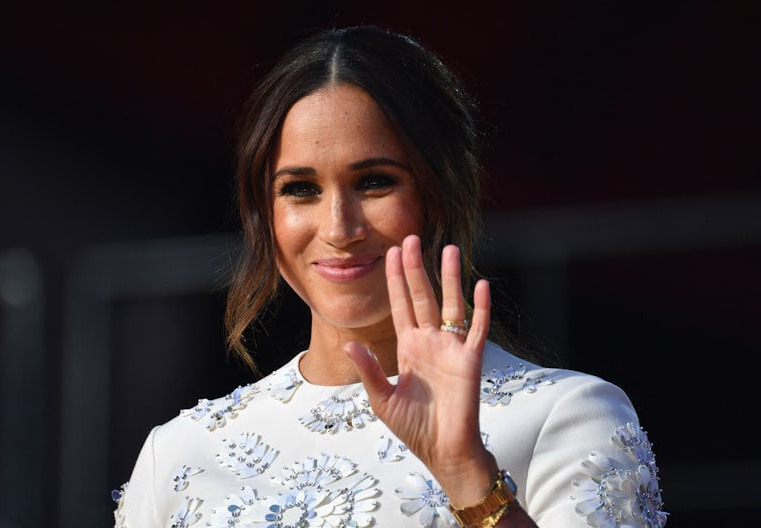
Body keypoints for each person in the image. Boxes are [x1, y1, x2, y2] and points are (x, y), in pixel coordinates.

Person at [113, 25, 667, 528]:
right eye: (301, 189)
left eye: (374, 182)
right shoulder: (183, 453)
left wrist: (465, 472)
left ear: (439, 197)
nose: (339, 228)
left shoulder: (563, 418)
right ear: (263, 217)